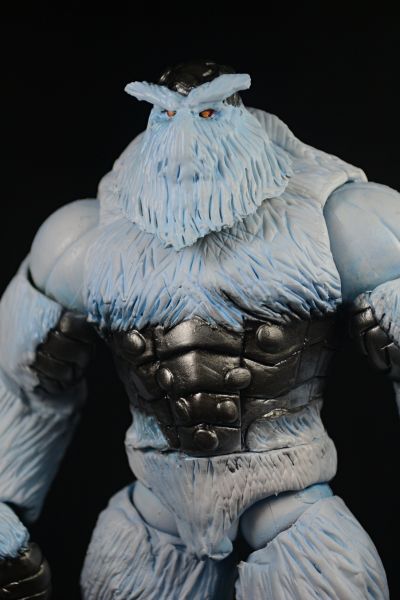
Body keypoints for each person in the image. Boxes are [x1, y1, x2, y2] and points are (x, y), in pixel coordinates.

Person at [0, 60, 398, 599]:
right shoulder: (80, 238)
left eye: (207, 114)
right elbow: (23, 382)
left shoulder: (344, 221)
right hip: (157, 504)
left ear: (235, 112)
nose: (185, 138)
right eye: (167, 116)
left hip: (288, 494)